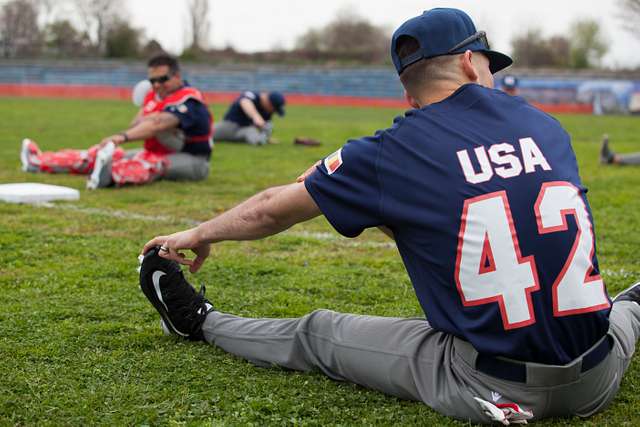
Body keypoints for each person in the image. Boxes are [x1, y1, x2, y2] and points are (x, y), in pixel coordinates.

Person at [138, 8, 640, 424]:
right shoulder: (546, 126)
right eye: (491, 65)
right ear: (470, 63)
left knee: (318, 333)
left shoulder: (391, 153)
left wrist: (199, 233)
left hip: (491, 383)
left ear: (408, 92)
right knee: (624, 310)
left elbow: (273, 210)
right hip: (600, 369)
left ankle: (200, 323)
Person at [20, 54, 213, 189]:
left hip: (193, 159)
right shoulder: (155, 96)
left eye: (162, 79)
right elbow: (136, 125)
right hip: (154, 151)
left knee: (151, 163)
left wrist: (121, 137)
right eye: (153, 80)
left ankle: (109, 176)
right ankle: (38, 161)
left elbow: (158, 125)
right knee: (101, 154)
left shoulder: (190, 99)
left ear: (177, 76)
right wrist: (149, 106)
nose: (157, 85)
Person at [214, 91, 285, 145]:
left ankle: (259, 141)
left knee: (252, 132)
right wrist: (256, 117)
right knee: (206, 132)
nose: (273, 111)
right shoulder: (254, 96)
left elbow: (263, 127)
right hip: (229, 126)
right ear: (269, 102)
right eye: (274, 108)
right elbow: (245, 102)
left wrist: (267, 138)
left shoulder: (267, 112)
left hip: (244, 131)